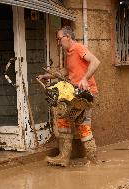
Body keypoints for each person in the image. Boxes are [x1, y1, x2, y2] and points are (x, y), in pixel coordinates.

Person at [37, 26, 100, 166]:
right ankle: (64, 157)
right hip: (73, 94)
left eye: (59, 39)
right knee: (63, 120)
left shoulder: (78, 48)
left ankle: (92, 159)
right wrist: (47, 75)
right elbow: (67, 70)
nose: (59, 43)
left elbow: (95, 61)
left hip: (85, 94)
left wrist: (84, 79)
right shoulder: (69, 53)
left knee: (83, 124)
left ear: (68, 37)